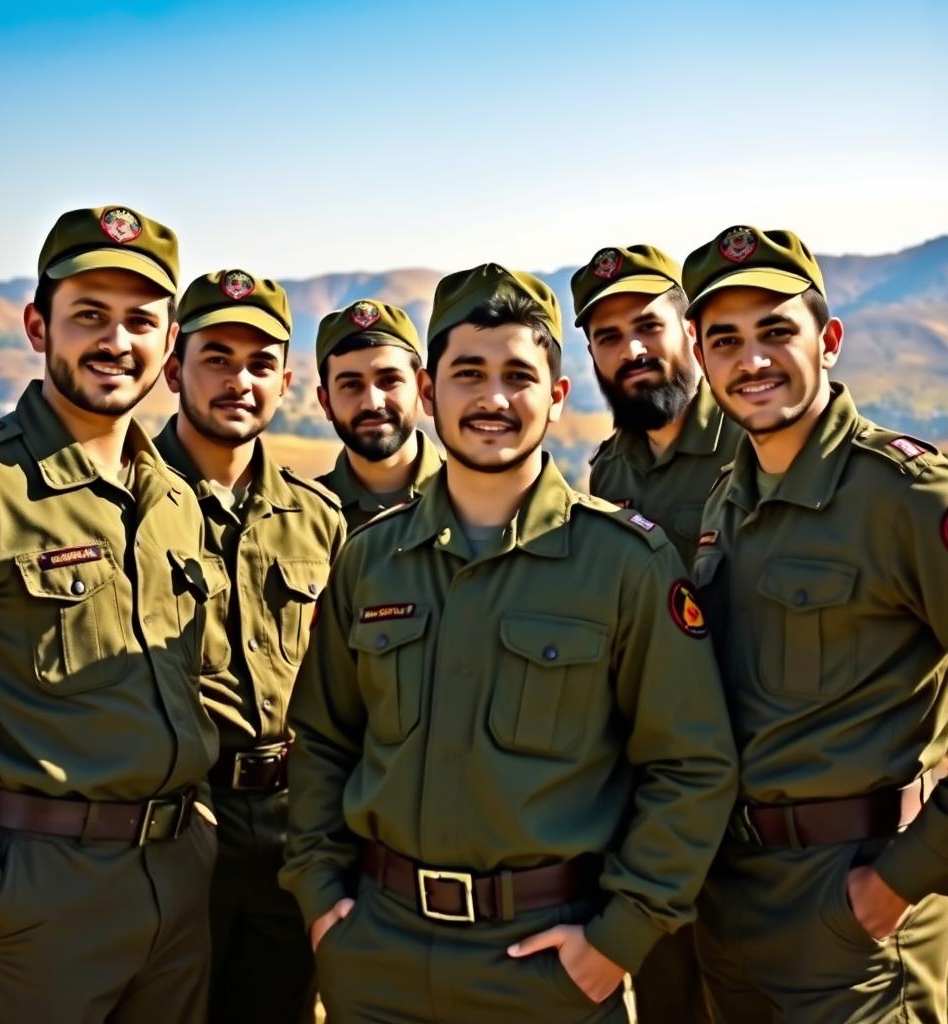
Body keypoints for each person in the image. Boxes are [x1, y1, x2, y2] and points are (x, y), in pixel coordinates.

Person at [281, 262, 737, 1023]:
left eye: (518, 376)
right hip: (377, 959)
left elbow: (691, 765)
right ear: (430, 393)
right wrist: (324, 900)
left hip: (547, 969)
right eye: (468, 373)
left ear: (556, 397)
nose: (493, 399)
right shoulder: (371, 557)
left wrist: (620, 939)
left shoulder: (624, 563)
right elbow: (324, 740)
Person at [0, 205, 221, 1023]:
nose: (115, 341)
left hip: (175, 883)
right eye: (89, 315)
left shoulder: (172, 501)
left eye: (139, 321)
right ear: (36, 325)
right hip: (32, 896)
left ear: (167, 349)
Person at [685, 225, 948, 1023]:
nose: (751, 360)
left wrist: (895, 883)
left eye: (776, 331)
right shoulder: (726, 503)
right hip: (733, 908)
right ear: (701, 357)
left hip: (856, 916)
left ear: (828, 340)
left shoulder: (906, 495)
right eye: (725, 340)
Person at [155, 269, 344, 1023]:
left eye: (262, 364)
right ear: (175, 368)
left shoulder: (318, 518)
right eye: (218, 358)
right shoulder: (130, 504)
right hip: (176, 834)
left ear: (287, 382)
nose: (241, 380)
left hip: (291, 833)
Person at [572, 244, 741, 570]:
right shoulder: (610, 469)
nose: (632, 351)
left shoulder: (751, 448)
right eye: (609, 338)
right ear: (593, 354)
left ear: (691, 333)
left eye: (649, 327)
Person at [316, 299, 442, 530]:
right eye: (351, 385)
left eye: (390, 381)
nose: (373, 404)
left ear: (424, 389)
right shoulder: (304, 517)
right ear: (325, 402)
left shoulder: (474, 499)